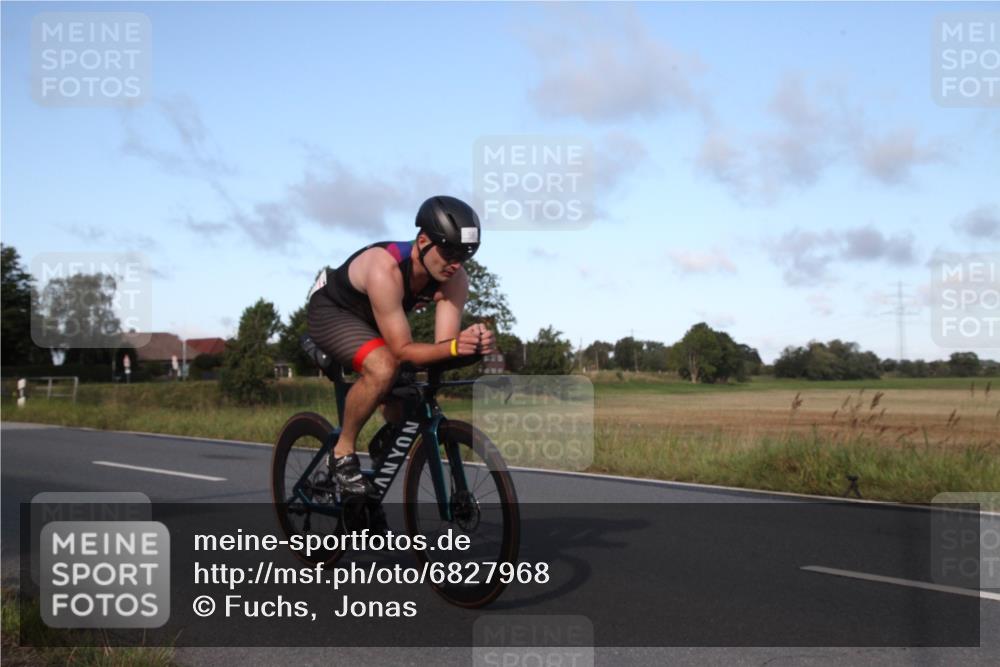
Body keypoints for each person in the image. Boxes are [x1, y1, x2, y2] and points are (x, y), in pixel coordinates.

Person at [306, 195, 498, 496]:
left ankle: (376, 470)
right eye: (448, 251)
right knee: (384, 366)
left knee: (410, 387)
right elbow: (400, 350)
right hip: (333, 313)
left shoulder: (455, 279)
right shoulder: (386, 268)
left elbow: (443, 347)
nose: (455, 263)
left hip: (375, 323)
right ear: (423, 241)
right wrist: (452, 349)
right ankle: (341, 454)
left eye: (464, 254)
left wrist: (471, 345)